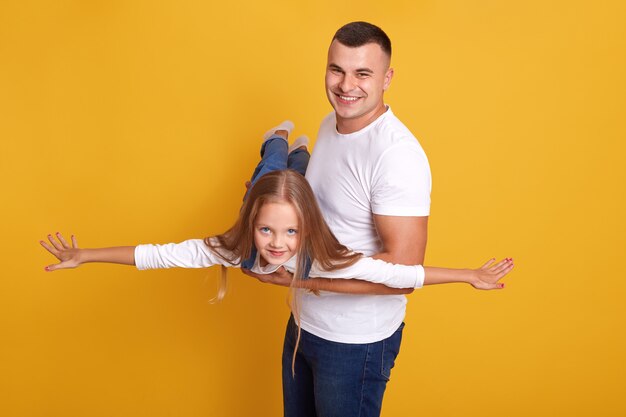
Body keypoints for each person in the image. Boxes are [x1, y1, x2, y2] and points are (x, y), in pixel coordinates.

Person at [241, 21, 479, 417]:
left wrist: (301, 279)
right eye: (337, 70)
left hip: (355, 343)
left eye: (362, 73)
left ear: (387, 78)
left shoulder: (396, 156)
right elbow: (322, 214)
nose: (346, 85)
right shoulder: (329, 125)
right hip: (305, 324)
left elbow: (404, 274)